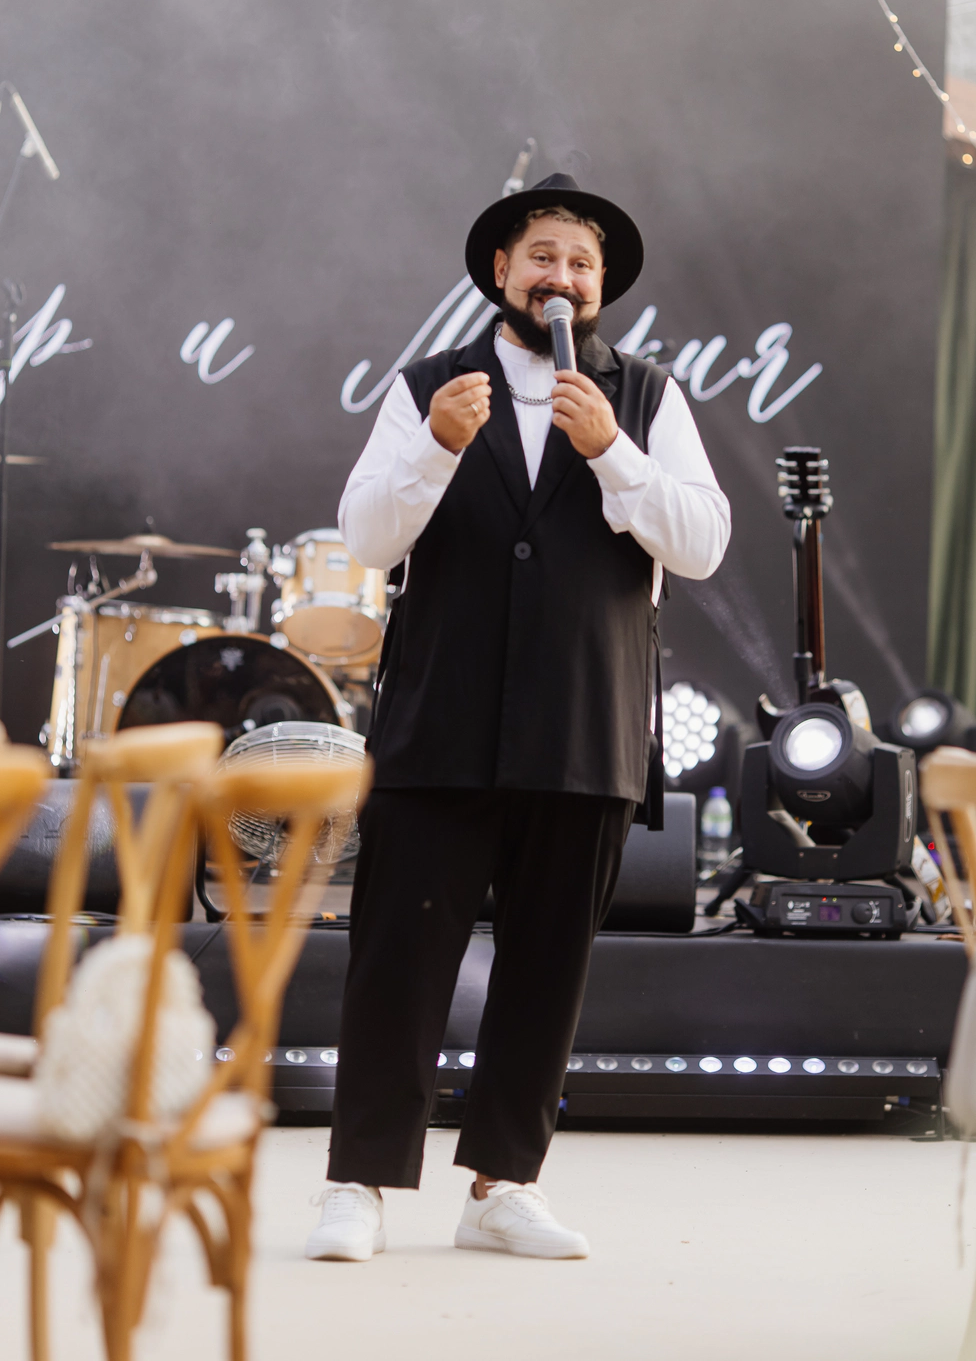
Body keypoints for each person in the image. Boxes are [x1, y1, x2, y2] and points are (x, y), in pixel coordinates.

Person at [306, 172, 730, 1263]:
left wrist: (613, 452)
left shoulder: (648, 398)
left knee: (548, 968)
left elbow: (702, 544)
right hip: (439, 722)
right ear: (502, 271)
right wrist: (437, 446)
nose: (562, 277)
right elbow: (366, 536)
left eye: (581, 264)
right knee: (399, 959)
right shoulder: (429, 388)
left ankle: (504, 1183)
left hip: (585, 726)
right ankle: (359, 1182)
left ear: (601, 286)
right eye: (543, 256)